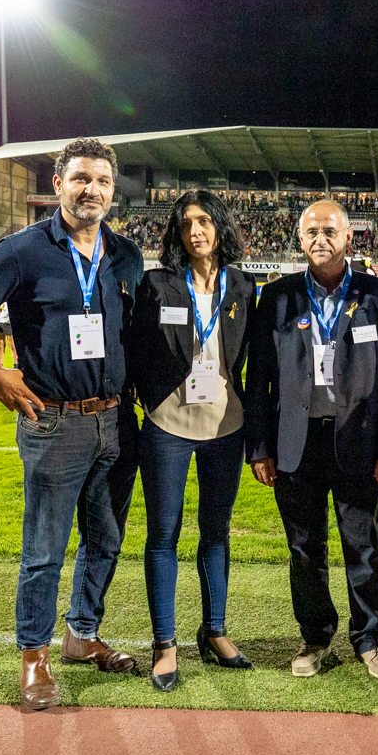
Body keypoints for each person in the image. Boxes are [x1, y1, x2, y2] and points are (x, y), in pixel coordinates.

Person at [0, 137, 143, 710]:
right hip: (52, 422)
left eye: (102, 181)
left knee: (105, 539)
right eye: (81, 178)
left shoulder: (124, 255)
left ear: (112, 191)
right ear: (58, 185)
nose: (92, 190)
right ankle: (34, 656)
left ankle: (81, 636)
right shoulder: (25, 249)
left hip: (115, 422)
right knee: (45, 549)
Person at [245, 199, 378, 681]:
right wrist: (260, 447)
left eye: (330, 230)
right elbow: (259, 381)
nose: (321, 239)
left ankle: (369, 637)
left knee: (364, 546)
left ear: (348, 238)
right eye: (311, 231)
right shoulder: (275, 297)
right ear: (299, 239)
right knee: (304, 548)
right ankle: (315, 636)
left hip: (358, 442)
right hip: (296, 443)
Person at [131, 190, 257, 691]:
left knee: (216, 533)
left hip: (226, 427)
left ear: (220, 227)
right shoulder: (157, 285)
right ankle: (166, 644)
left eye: (204, 221)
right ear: (177, 234)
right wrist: (149, 398)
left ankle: (216, 631)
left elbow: (250, 359)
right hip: (168, 426)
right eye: (186, 224)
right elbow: (136, 347)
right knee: (163, 535)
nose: (196, 231)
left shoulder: (243, 287)